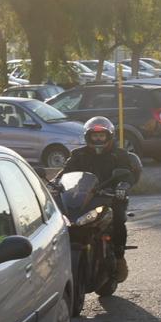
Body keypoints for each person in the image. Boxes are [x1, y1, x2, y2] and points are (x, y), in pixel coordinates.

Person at [58, 116, 140, 282]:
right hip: (84, 196)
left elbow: (127, 173)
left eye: (101, 136)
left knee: (118, 219)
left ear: (109, 136)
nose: (98, 139)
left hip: (112, 196)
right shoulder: (78, 155)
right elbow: (64, 173)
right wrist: (53, 184)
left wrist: (123, 186)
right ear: (88, 136)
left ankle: (119, 257)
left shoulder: (120, 155)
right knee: (63, 220)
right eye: (94, 136)